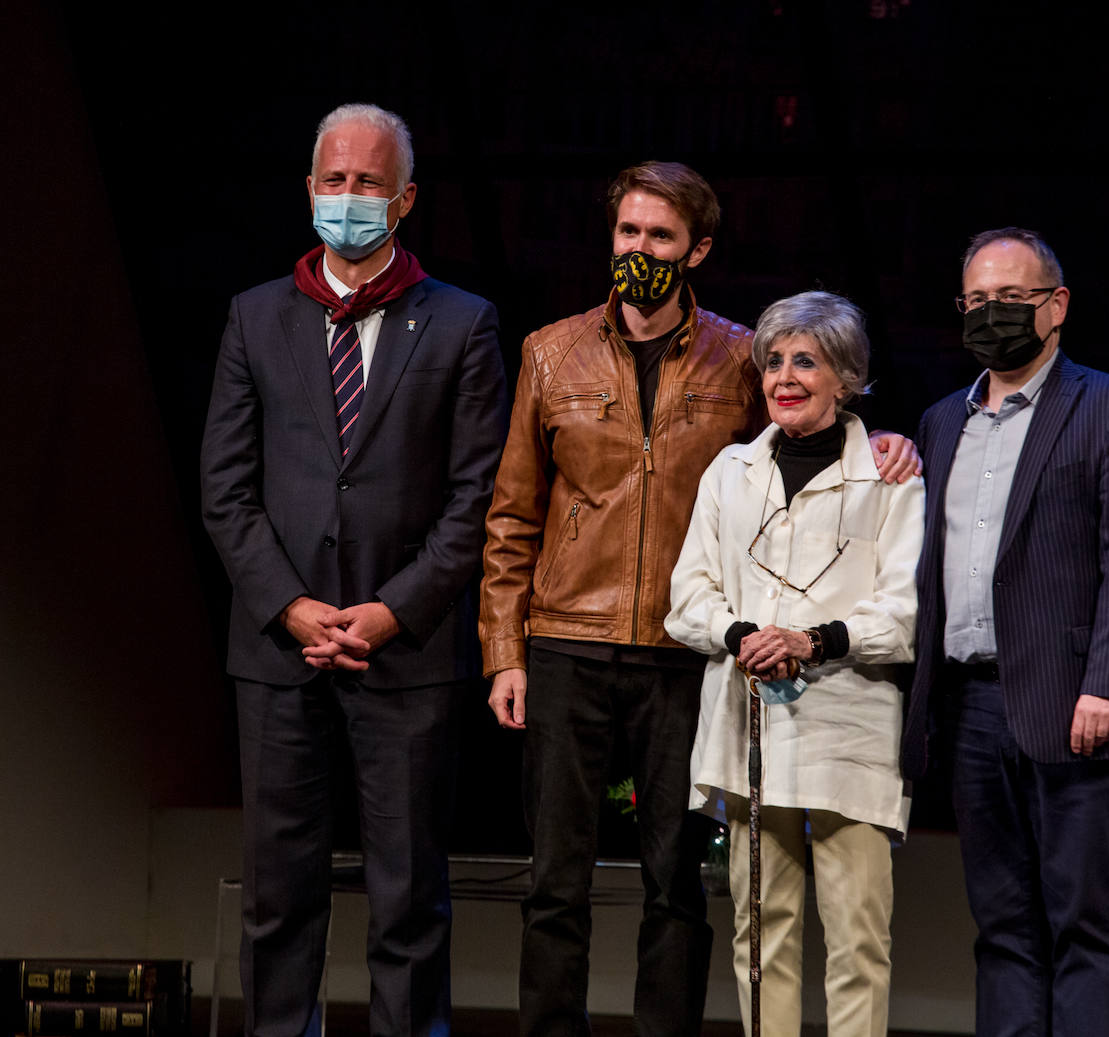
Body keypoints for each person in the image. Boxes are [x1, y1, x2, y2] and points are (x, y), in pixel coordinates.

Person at [479, 162, 920, 1035]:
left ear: (698, 250)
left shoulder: (737, 356)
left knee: (676, 880)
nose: (639, 251)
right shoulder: (550, 350)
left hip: (686, 659)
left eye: (661, 238)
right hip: (567, 639)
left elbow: (807, 429)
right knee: (554, 879)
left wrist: (891, 441)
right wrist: (504, 651)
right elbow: (511, 514)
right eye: (628, 233)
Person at [201, 102, 507, 1037]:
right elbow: (226, 489)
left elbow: (477, 500)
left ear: (403, 198)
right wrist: (292, 606)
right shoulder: (255, 318)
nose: (348, 197)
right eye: (333, 180)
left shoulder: (461, 324)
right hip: (278, 650)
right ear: (308, 189)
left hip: (403, 655)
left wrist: (390, 611)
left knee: (409, 899)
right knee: (279, 896)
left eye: (368, 183)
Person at [901, 227, 1109, 1036]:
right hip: (971, 705)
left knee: (1084, 928)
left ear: (1055, 306)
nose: (993, 315)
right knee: (1004, 929)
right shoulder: (941, 421)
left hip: (1074, 702)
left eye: (1010, 299)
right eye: (977, 301)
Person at [665, 291, 923, 1036]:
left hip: (849, 729)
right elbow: (688, 597)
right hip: (749, 727)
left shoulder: (892, 480)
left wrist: (812, 640)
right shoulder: (729, 471)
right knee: (761, 933)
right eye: (773, 360)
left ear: (845, 376)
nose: (784, 375)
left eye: (804, 360)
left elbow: (901, 612)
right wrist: (743, 632)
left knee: (858, 939)